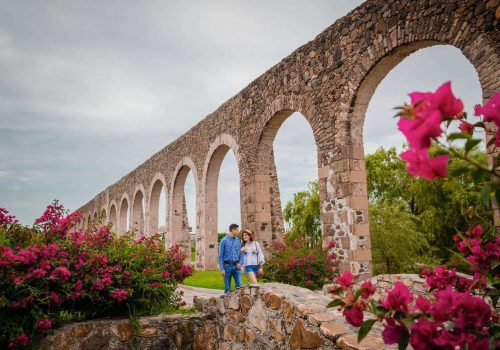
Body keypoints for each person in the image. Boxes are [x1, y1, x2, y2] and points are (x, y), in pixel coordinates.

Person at [218, 223, 244, 294]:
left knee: (239, 286)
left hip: (236, 266)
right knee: (227, 288)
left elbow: (241, 254)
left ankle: (238, 303)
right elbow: (220, 255)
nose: (238, 232)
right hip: (227, 266)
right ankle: (227, 304)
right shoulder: (224, 241)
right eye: (237, 230)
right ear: (232, 230)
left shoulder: (238, 241)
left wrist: (240, 263)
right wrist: (222, 269)